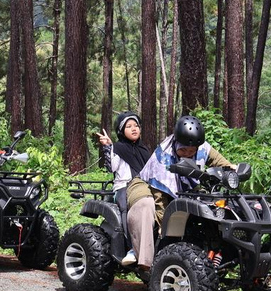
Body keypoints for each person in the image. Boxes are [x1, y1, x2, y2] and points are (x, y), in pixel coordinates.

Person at [126, 115, 235, 270]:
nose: (188, 154)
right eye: (183, 150)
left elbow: (221, 162)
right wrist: (165, 228)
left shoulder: (202, 147)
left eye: (192, 151)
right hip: (146, 184)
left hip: (183, 186)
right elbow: (160, 197)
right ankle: (147, 263)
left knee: (209, 203)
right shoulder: (164, 158)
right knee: (146, 206)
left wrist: (232, 169)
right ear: (176, 144)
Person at [97, 111, 152, 265]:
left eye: (136, 125)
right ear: (121, 131)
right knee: (125, 208)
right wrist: (108, 147)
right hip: (123, 186)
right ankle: (131, 247)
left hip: (144, 186)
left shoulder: (144, 150)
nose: (134, 129)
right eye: (129, 126)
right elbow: (112, 167)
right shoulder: (118, 147)